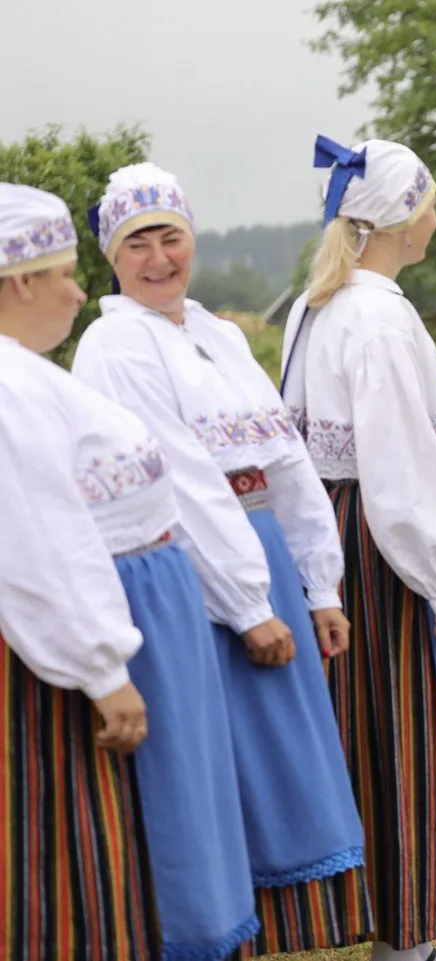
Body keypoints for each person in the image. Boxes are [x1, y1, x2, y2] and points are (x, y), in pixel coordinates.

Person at [71, 163, 372, 956]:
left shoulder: (219, 333)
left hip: (263, 550)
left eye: (172, 236)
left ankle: (268, 926)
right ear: (112, 253)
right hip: (198, 572)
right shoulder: (114, 344)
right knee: (217, 763)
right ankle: (212, 927)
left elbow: (287, 460)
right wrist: (248, 605)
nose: (159, 256)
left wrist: (319, 584)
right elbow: (182, 483)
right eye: (139, 241)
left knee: (280, 757)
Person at [0, 183, 258, 961]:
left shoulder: (28, 376)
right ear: (19, 283)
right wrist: (103, 665)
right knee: (73, 840)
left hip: (121, 621)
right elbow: (39, 541)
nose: (81, 291)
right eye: (66, 273)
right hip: (66, 662)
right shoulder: (11, 389)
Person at [282, 137, 436, 959]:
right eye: (430, 201)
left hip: (345, 531)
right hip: (384, 541)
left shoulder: (321, 305)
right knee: (410, 727)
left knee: (370, 728)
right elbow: (399, 460)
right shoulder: (376, 313)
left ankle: (391, 929)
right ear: (404, 218)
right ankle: (405, 941)